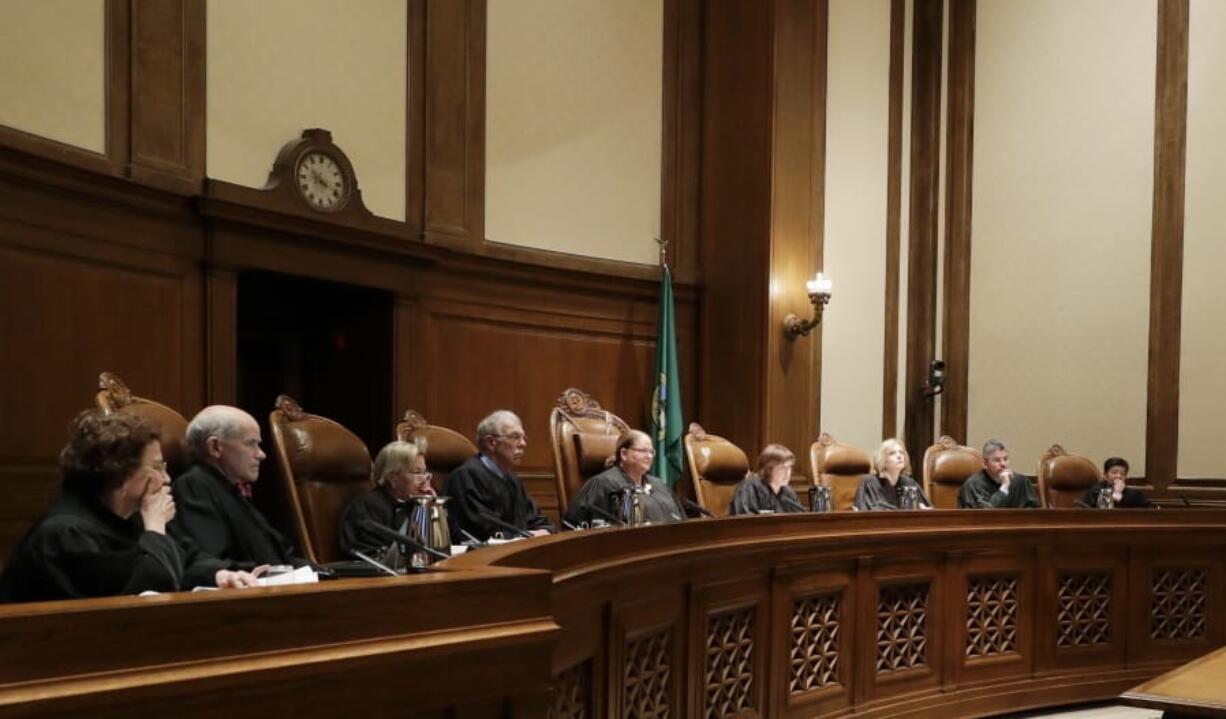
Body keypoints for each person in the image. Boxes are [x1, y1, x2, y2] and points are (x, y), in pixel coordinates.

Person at [0, 411, 260, 602]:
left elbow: (186, 558)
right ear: (121, 474)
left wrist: (219, 575)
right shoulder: (66, 534)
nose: (167, 479)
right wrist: (156, 528)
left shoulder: (129, 518)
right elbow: (149, 588)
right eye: (158, 467)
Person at [170, 405, 306, 568]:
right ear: (215, 447)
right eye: (251, 444)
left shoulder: (232, 489)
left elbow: (280, 557)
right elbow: (214, 563)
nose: (261, 454)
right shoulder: (194, 486)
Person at [444, 410, 555, 541]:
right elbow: (481, 533)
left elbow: (537, 520)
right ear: (491, 443)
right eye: (515, 437)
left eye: (523, 438)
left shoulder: (512, 479)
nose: (523, 444)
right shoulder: (466, 478)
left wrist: (547, 530)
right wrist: (526, 536)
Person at [565, 430, 684, 526]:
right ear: (624, 454)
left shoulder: (659, 485)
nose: (649, 456)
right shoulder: (603, 484)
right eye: (643, 451)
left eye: (651, 452)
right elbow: (576, 526)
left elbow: (682, 520)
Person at [339, 439, 435, 558]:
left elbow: (454, 542)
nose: (425, 480)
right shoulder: (368, 507)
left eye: (425, 473)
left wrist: (434, 511)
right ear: (392, 477)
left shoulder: (418, 503)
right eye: (416, 473)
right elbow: (372, 557)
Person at [958, 438, 1041, 508]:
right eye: (997, 460)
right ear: (985, 463)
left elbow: (1035, 514)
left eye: (1005, 459)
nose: (1003, 464)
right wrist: (1004, 488)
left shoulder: (1021, 482)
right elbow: (985, 517)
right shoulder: (973, 485)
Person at [854, 438, 931, 511]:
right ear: (883, 459)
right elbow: (871, 511)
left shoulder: (909, 483)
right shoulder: (869, 482)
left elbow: (926, 509)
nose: (899, 456)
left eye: (901, 452)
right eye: (892, 453)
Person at [729, 444, 806, 515]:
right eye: (782, 468)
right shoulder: (750, 487)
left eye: (789, 467)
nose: (787, 473)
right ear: (768, 469)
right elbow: (745, 521)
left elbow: (799, 518)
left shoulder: (788, 493)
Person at [1080, 456, 1151, 508]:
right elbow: (1103, 514)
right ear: (1105, 476)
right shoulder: (1095, 491)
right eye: (1114, 472)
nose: (1118, 476)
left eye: (1122, 474)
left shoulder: (1134, 494)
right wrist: (1117, 493)